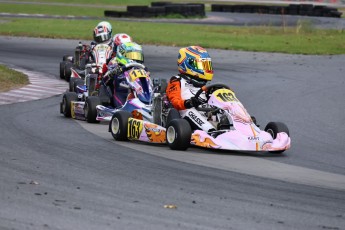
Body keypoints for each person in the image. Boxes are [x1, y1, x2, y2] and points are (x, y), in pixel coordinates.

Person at [166, 45, 216, 133]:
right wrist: (188, 103)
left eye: (206, 65)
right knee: (190, 112)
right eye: (202, 65)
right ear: (188, 63)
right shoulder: (177, 80)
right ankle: (211, 132)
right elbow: (174, 101)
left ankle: (241, 127)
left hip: (206, 110)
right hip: (185, 112)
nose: (205, 68)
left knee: (224, 110)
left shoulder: (205, 86)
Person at [102, 41, 145, 108]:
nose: (135, 59)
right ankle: (123, 108)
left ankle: (148, 104)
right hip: (121, 92)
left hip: (138, 91)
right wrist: (114, 72)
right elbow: (105, 79)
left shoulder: (141, 68)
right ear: (122, 55)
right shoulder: (115, 63)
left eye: (137, 56)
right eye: (132, 55)